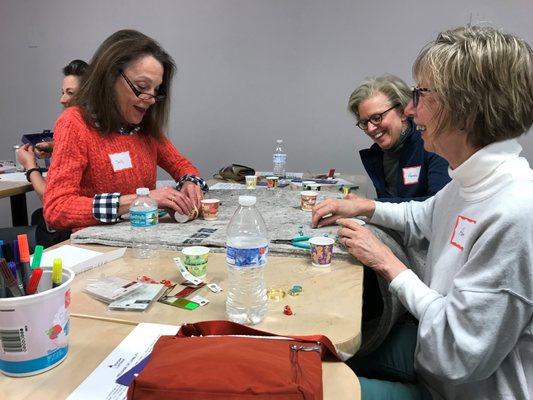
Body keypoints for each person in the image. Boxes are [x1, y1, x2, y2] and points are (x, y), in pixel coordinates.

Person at [313, 25, 533, 399]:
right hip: (433, 356)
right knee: (314, 351)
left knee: (312, 387)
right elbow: (422, 215)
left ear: (466, 106)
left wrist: (387, 263)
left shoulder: (514, 212)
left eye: (421, 94)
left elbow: (455, 356)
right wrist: (363, 207)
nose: (411, 110)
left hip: (453, 389)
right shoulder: (470, 183)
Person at [44, 29, 207, 231]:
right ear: (110, 77)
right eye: (142, 86)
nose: (151, 99)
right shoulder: (74, 123)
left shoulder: (143, 127)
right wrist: (139, 200)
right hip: (96, 253)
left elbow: (182, 165)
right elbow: (56, 209)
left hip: (141, 244)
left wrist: (190, 184)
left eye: (156, 90)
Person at [15, 60, 89, 247]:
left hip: (77, 228)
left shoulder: (69, 123)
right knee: (37, 216)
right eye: (62, 92)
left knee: (30, 230)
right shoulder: (99, 125)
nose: (62, 99)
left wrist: (30, 166)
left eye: (70, 93)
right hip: (91, 222)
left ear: (89, 96)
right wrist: (57, 147)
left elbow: (52, 199)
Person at [349, 74, 450, 203]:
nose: (370, 129)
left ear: (402, 112)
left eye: (376, 118)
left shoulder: (433, 145)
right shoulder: (377, 155)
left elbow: (440, 205)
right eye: (364, 122)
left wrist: (370, 206)